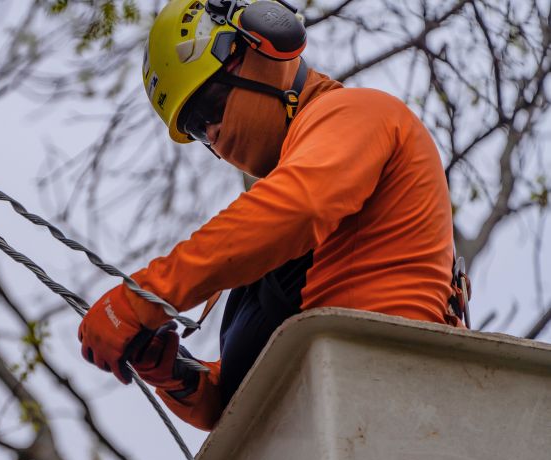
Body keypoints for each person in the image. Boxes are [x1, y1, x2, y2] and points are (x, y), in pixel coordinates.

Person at [77, 0, 466, 430]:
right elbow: (241, 397)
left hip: (386, 396)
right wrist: (180, 377)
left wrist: (145, 295)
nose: (212, 133)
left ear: (265, 46)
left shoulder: (360, 114)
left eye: (209, 104)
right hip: (323, 428)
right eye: (193, 127)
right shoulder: (268, 228)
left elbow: (301, 207)